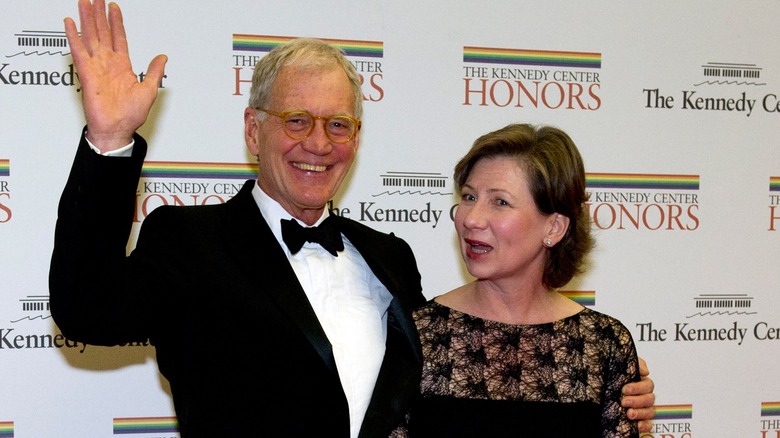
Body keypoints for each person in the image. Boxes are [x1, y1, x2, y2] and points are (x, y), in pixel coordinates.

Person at [49, 1, 655, 436]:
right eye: (296, 120)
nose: (318, 142)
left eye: (338, 124)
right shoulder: (190, 243)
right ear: (253, 129)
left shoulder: (390, 258)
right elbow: (85, 308)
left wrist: (615, 393)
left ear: (357, 139)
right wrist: (109, 142)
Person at [402, 123, 643, 437]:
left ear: (554, 228)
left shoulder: (603, 344)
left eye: (500, 202)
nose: (471, 219)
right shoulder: (418, 336)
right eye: (469, 196)